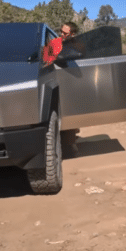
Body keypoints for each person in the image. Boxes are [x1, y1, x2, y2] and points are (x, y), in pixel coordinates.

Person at [43, 22, 80, 155]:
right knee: (55, 112)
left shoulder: (77, 45)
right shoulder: (54, 43)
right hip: (54, 79)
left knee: (70, 112)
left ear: (73, 34)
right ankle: (55, 143)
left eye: (65, 33)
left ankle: (70, 143)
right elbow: (46, 59)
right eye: (61, 31)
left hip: (71, 81)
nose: (61, 34)